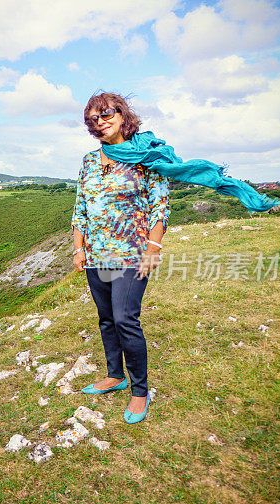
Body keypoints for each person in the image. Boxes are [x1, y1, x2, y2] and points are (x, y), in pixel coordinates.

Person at [71, 92, 169, 424]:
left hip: (132, 255)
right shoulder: (88, 161)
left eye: (105, 114)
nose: (99, 122)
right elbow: (81, 208)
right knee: (106, 318)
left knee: (125, 318)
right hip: (96, 255)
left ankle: (140, 392)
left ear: (122, 114)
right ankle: (116, 375)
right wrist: (78, 247)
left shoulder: (145, 157)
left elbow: (160, 208)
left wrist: (153, 250)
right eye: (92, 119)